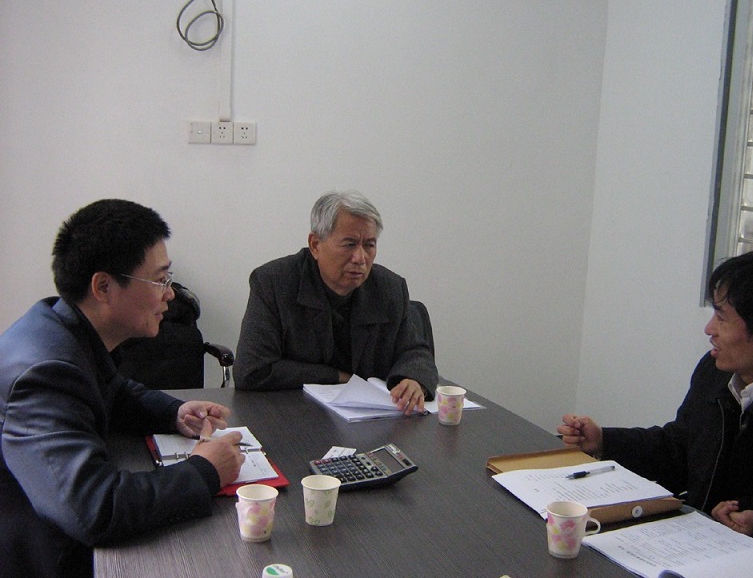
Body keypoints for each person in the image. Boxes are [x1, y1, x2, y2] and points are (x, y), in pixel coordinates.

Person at [0, 199, 246, 578]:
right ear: (103, 287)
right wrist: (204, 471)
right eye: (160, 280)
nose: (170, 294)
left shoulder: (65, 328)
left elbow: (113, 390)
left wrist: (174, 412)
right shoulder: (46, 372)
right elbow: (95, 509)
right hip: (45, 556)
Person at [558, 250, 753, 543]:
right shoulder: (714, 372)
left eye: (722, 318)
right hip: (692, 540)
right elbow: (679, 450)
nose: (709, 329)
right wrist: (603, 441)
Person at [234, 190, 438, 415]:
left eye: (369, 245)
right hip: (293, 415)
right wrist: (336, 377)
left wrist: (413, 379)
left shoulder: (389, 289)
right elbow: (251, 370)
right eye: (349, 244)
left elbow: (415, 351)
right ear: (315, 245)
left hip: (372, 420)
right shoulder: (274, 283)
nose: (360, 258)